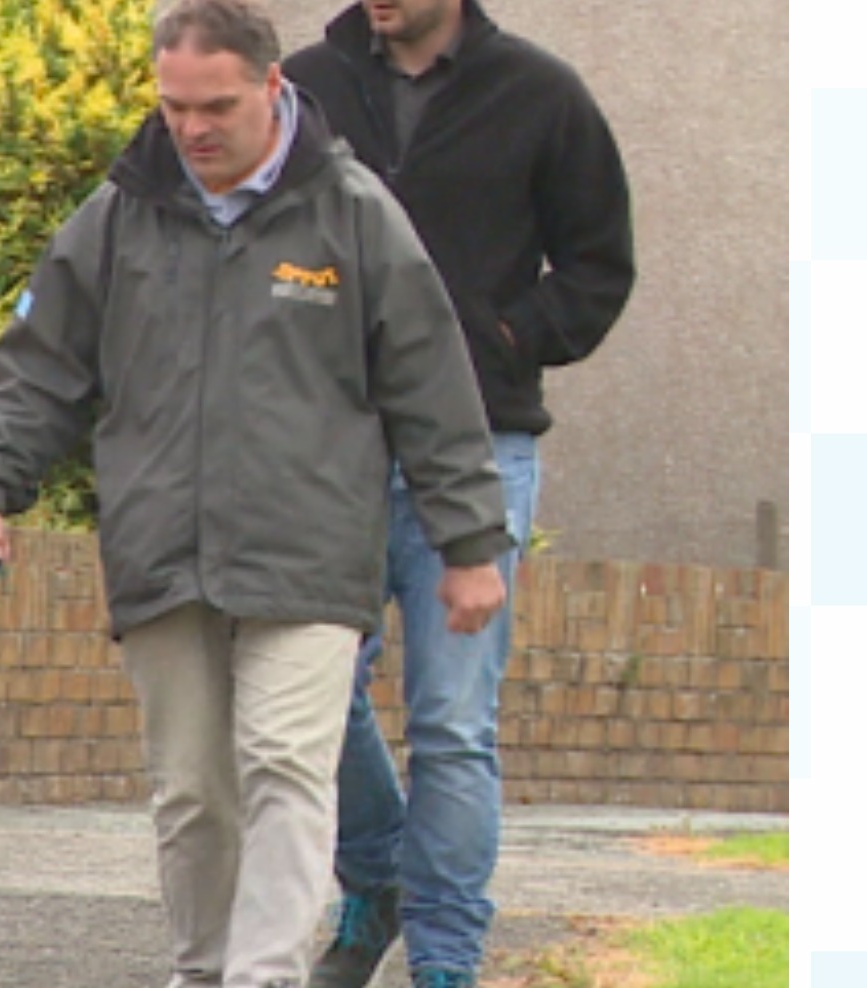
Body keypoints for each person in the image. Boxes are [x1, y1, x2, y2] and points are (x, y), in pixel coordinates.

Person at [0, 2, 512, 985]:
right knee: (193, 792)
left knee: (285, 767)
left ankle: (263, 977)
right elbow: (39, 371)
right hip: (162, 551)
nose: (193, 129)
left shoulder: (353, 213)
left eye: (216, 107)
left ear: (271, 87)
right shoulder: (117, 216)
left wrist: (467, 545)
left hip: (307, 556)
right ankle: (205, 969)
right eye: (174, 107)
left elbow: (433, 386)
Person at [282, 3, 635, 985]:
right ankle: (376, 873)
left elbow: (599, 263)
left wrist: (508, 337)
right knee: (310, 688)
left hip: (480, 441)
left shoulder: (540, 94)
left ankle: (444, 958)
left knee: (452, 721)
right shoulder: (306, 87)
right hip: (330, 445)